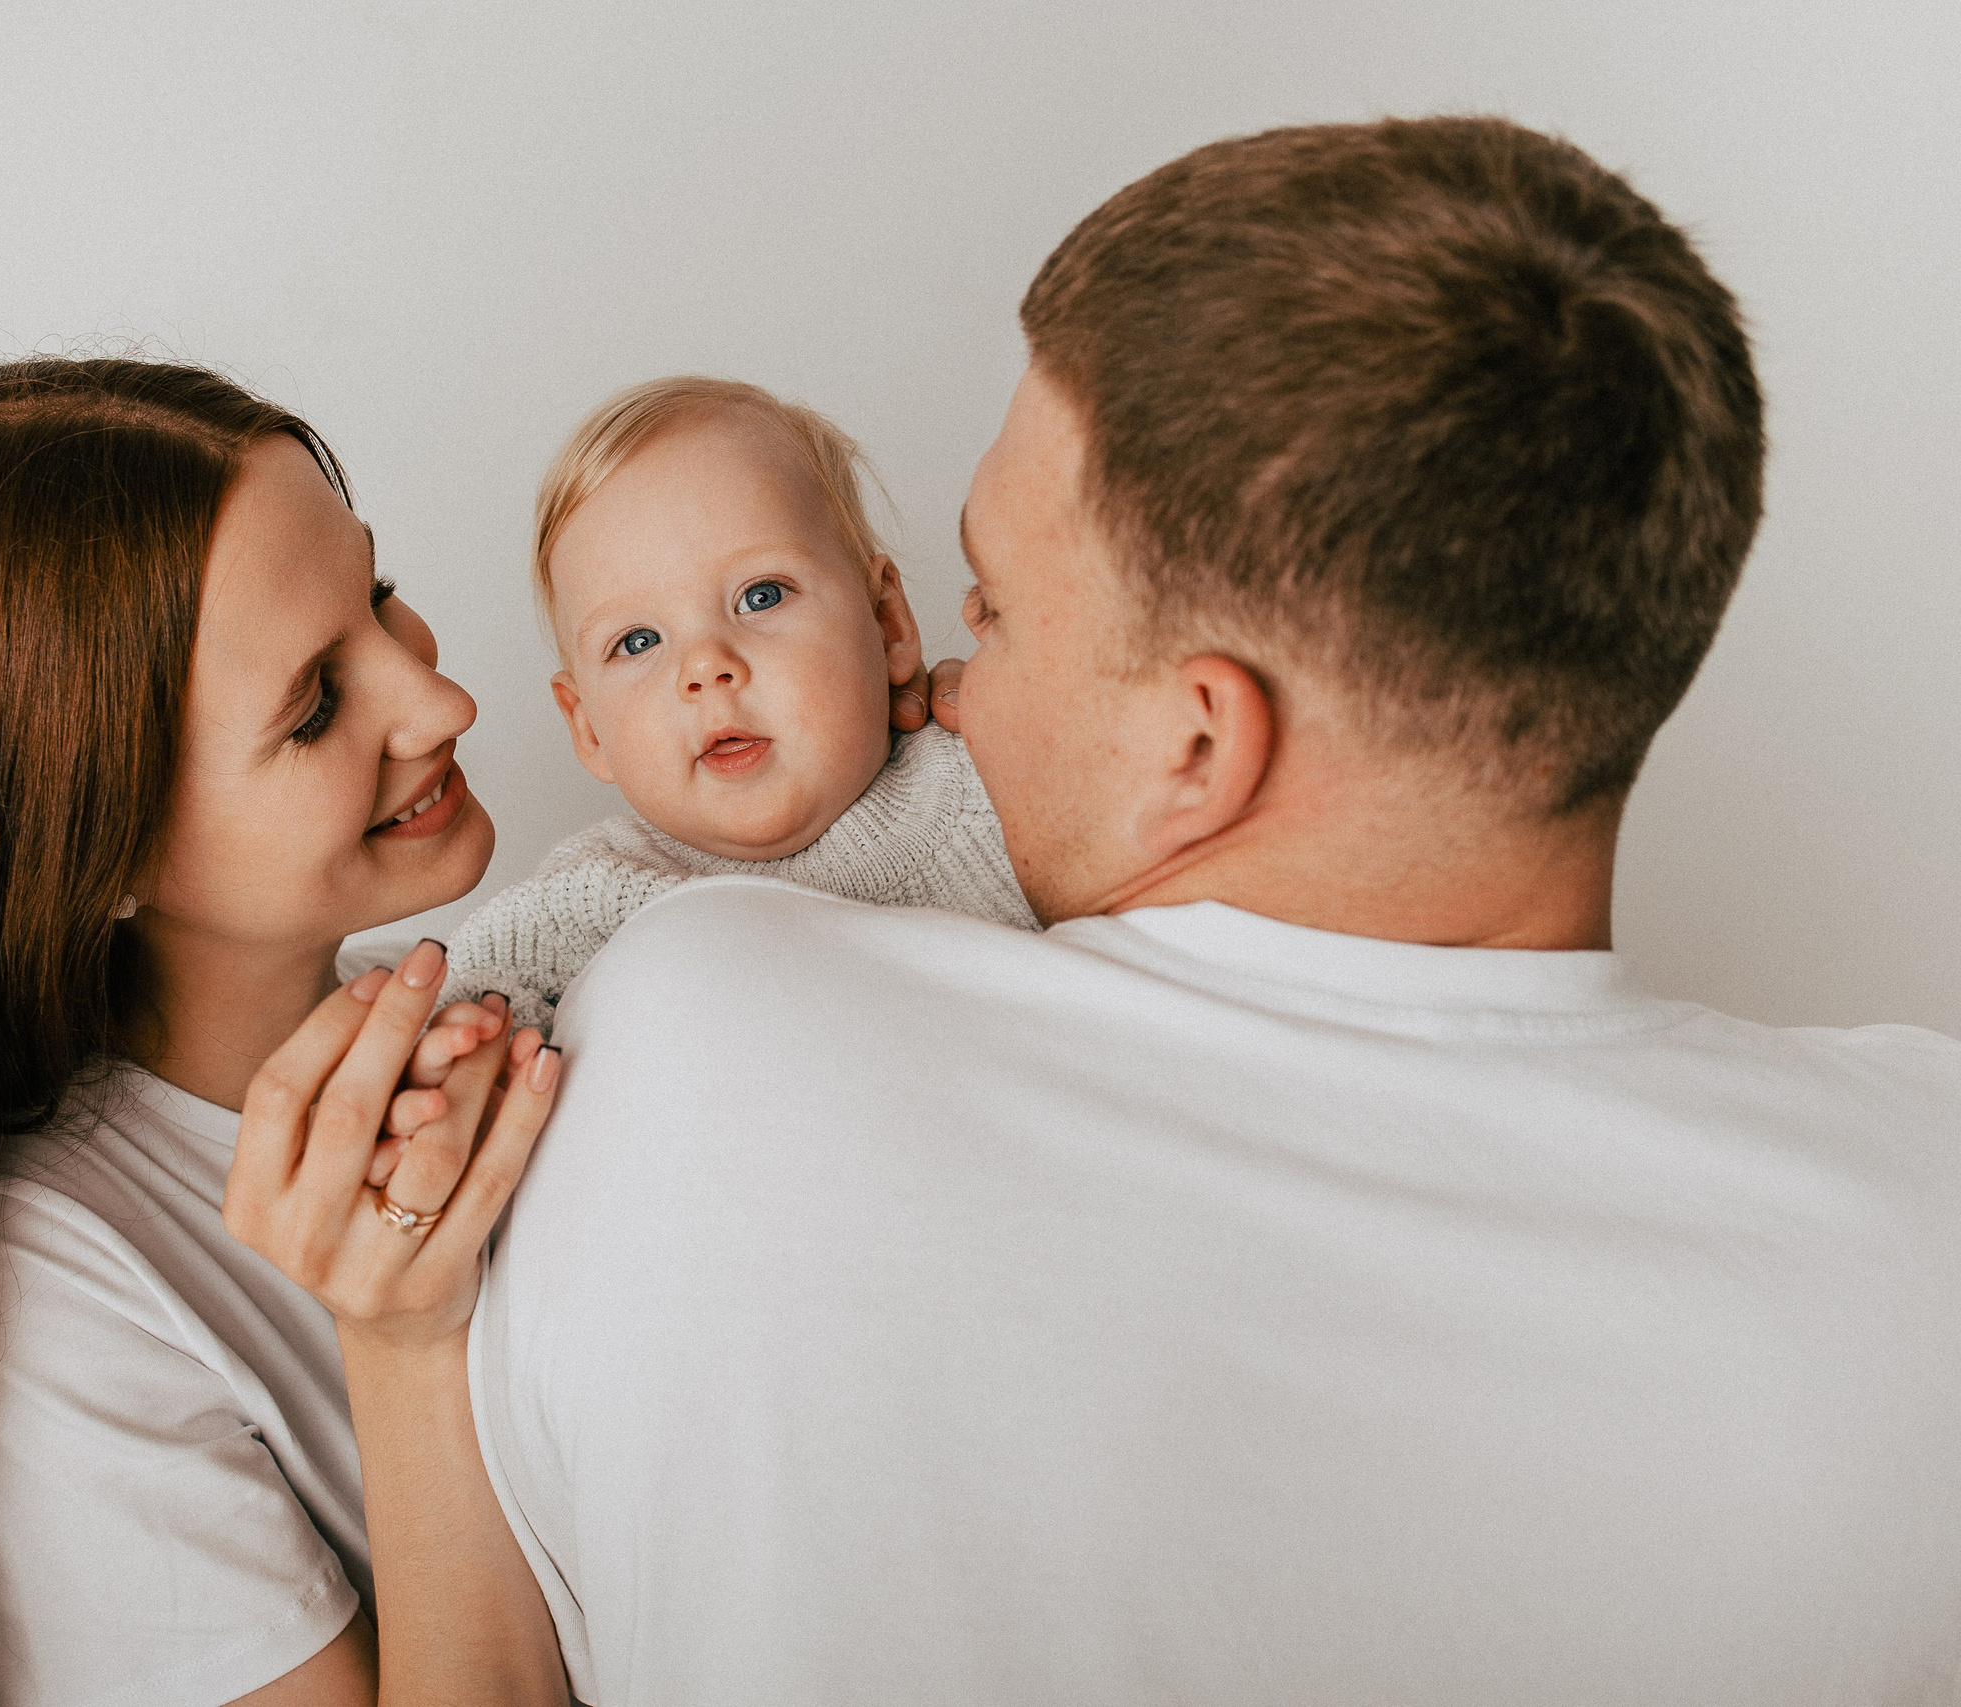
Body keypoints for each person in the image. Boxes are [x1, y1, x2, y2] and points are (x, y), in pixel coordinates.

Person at [458, 117, 1961, 1703]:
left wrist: (408, 1350)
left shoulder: (706, 1021)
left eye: (993, 607)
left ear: (1196, 741)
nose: (945, 668)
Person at [0, 358, 575, 1707]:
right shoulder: (45, 1305)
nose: (437, 703)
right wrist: (401, 1345)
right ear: (86, 851)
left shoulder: (480, 1002)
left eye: (381, 595)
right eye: (316, 704)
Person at [438, 375, 1032, 1038]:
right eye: (638, 641)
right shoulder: (597, 892)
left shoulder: (997, 779)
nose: (704, 667)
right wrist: (470, 1043)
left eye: (760, 596)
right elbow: (467, 997)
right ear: (587, 728)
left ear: (887, 623)